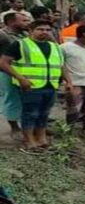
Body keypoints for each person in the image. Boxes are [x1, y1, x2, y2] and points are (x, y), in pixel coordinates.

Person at [0, 20, 65, 149]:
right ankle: (29, 140)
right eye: (40, 29)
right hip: (30, 86)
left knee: (44, 113)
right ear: (31, 30)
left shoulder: (55, 46)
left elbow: (62, 65)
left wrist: (69, 81)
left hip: (50, 85)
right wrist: (20, 79)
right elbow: (3, 63)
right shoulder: (20, 44)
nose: (45, 32)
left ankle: (41, 139)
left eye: (47, 30)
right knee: (30, 113)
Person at [0, 13, 27, 139]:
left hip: (23, 71)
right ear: (11, 22)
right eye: (23, 20)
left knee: (26, 99)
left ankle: (28, 126)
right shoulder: (2, 35)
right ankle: (14, 127)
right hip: (6, 72)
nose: (27, 22)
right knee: (12, 99)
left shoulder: (24, 35)